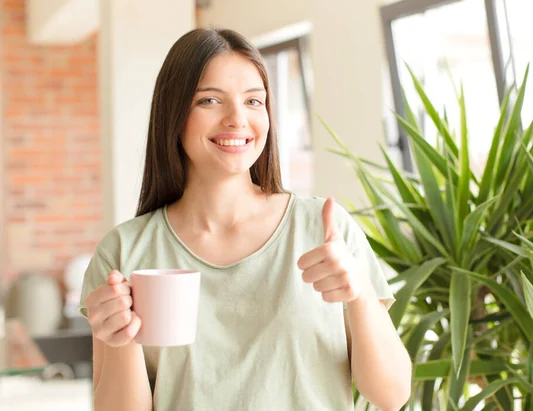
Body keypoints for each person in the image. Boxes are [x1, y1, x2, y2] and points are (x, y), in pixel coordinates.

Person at [79, 28, 412, 411]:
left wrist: (360, 294)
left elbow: (392, 395)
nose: (237, 119)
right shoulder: (124, 253)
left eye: (254, 101)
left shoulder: (324, 231)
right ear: (174, 114)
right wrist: (121, 340)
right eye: (210, 100)